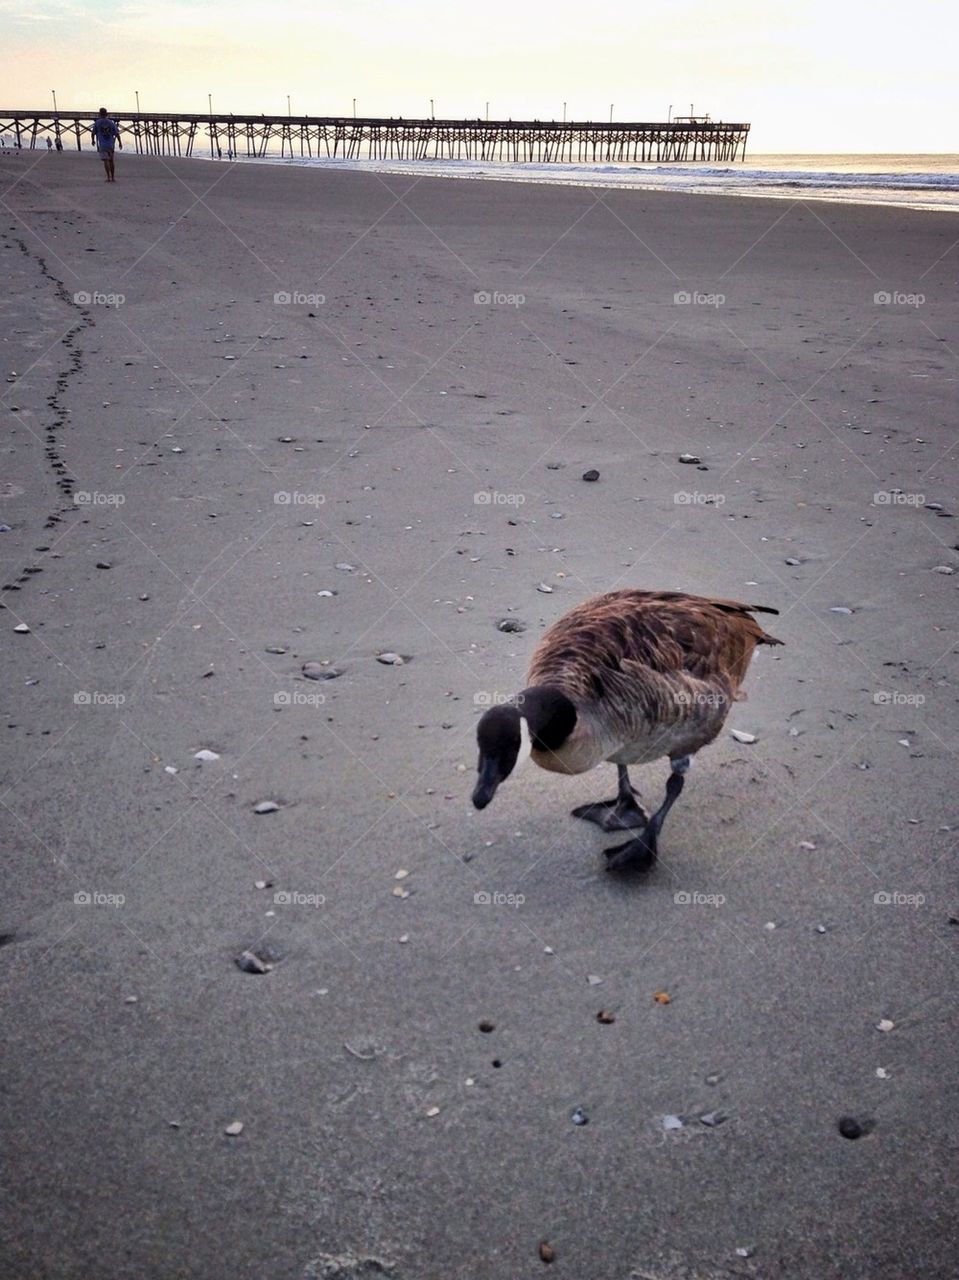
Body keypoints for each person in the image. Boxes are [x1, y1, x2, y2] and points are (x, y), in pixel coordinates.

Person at [91, 108, 121, 182]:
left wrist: (93, 140)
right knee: (111, 161)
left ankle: (108, 177)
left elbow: (93, 133)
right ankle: (113, 177)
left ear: (100, 114)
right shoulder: (111, 123)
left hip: (102, 145)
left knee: (106, 161)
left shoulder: (97, 123)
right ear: (106, 114)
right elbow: (117, 133)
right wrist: (120, 142)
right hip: (111, 144)